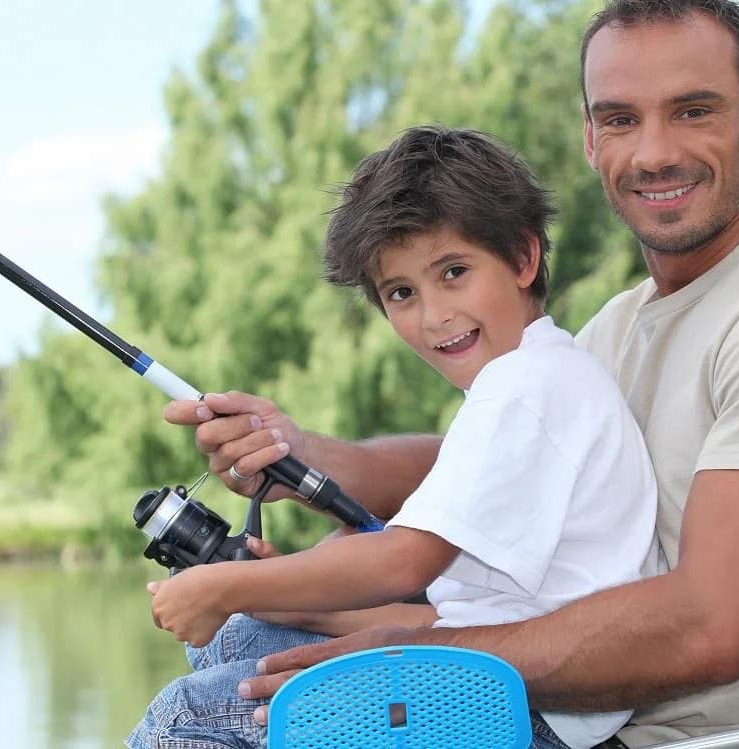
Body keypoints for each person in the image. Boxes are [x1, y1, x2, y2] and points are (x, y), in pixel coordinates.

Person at [158, 1, 739, 747]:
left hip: (650, 733)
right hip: (591, 717)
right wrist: (297, 454)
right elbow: (492, 468)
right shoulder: (621, 323)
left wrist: (406, 653)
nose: (654, 151)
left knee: (189, 718)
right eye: (621, 119)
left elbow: (709, 627)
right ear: (590, 136)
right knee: (233, 640)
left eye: (693, 110)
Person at [129, 125, 664, 749]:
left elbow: (401, 561)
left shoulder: (527, 389)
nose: (434, 315)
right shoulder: (533, 378)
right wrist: (282, 596)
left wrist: (223, 583)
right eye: (402, 293)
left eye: (454, 272)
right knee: (241, 636)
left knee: (185, 717)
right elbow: (456, 618)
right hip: (495, 677)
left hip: (534, 715)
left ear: (522, 259)